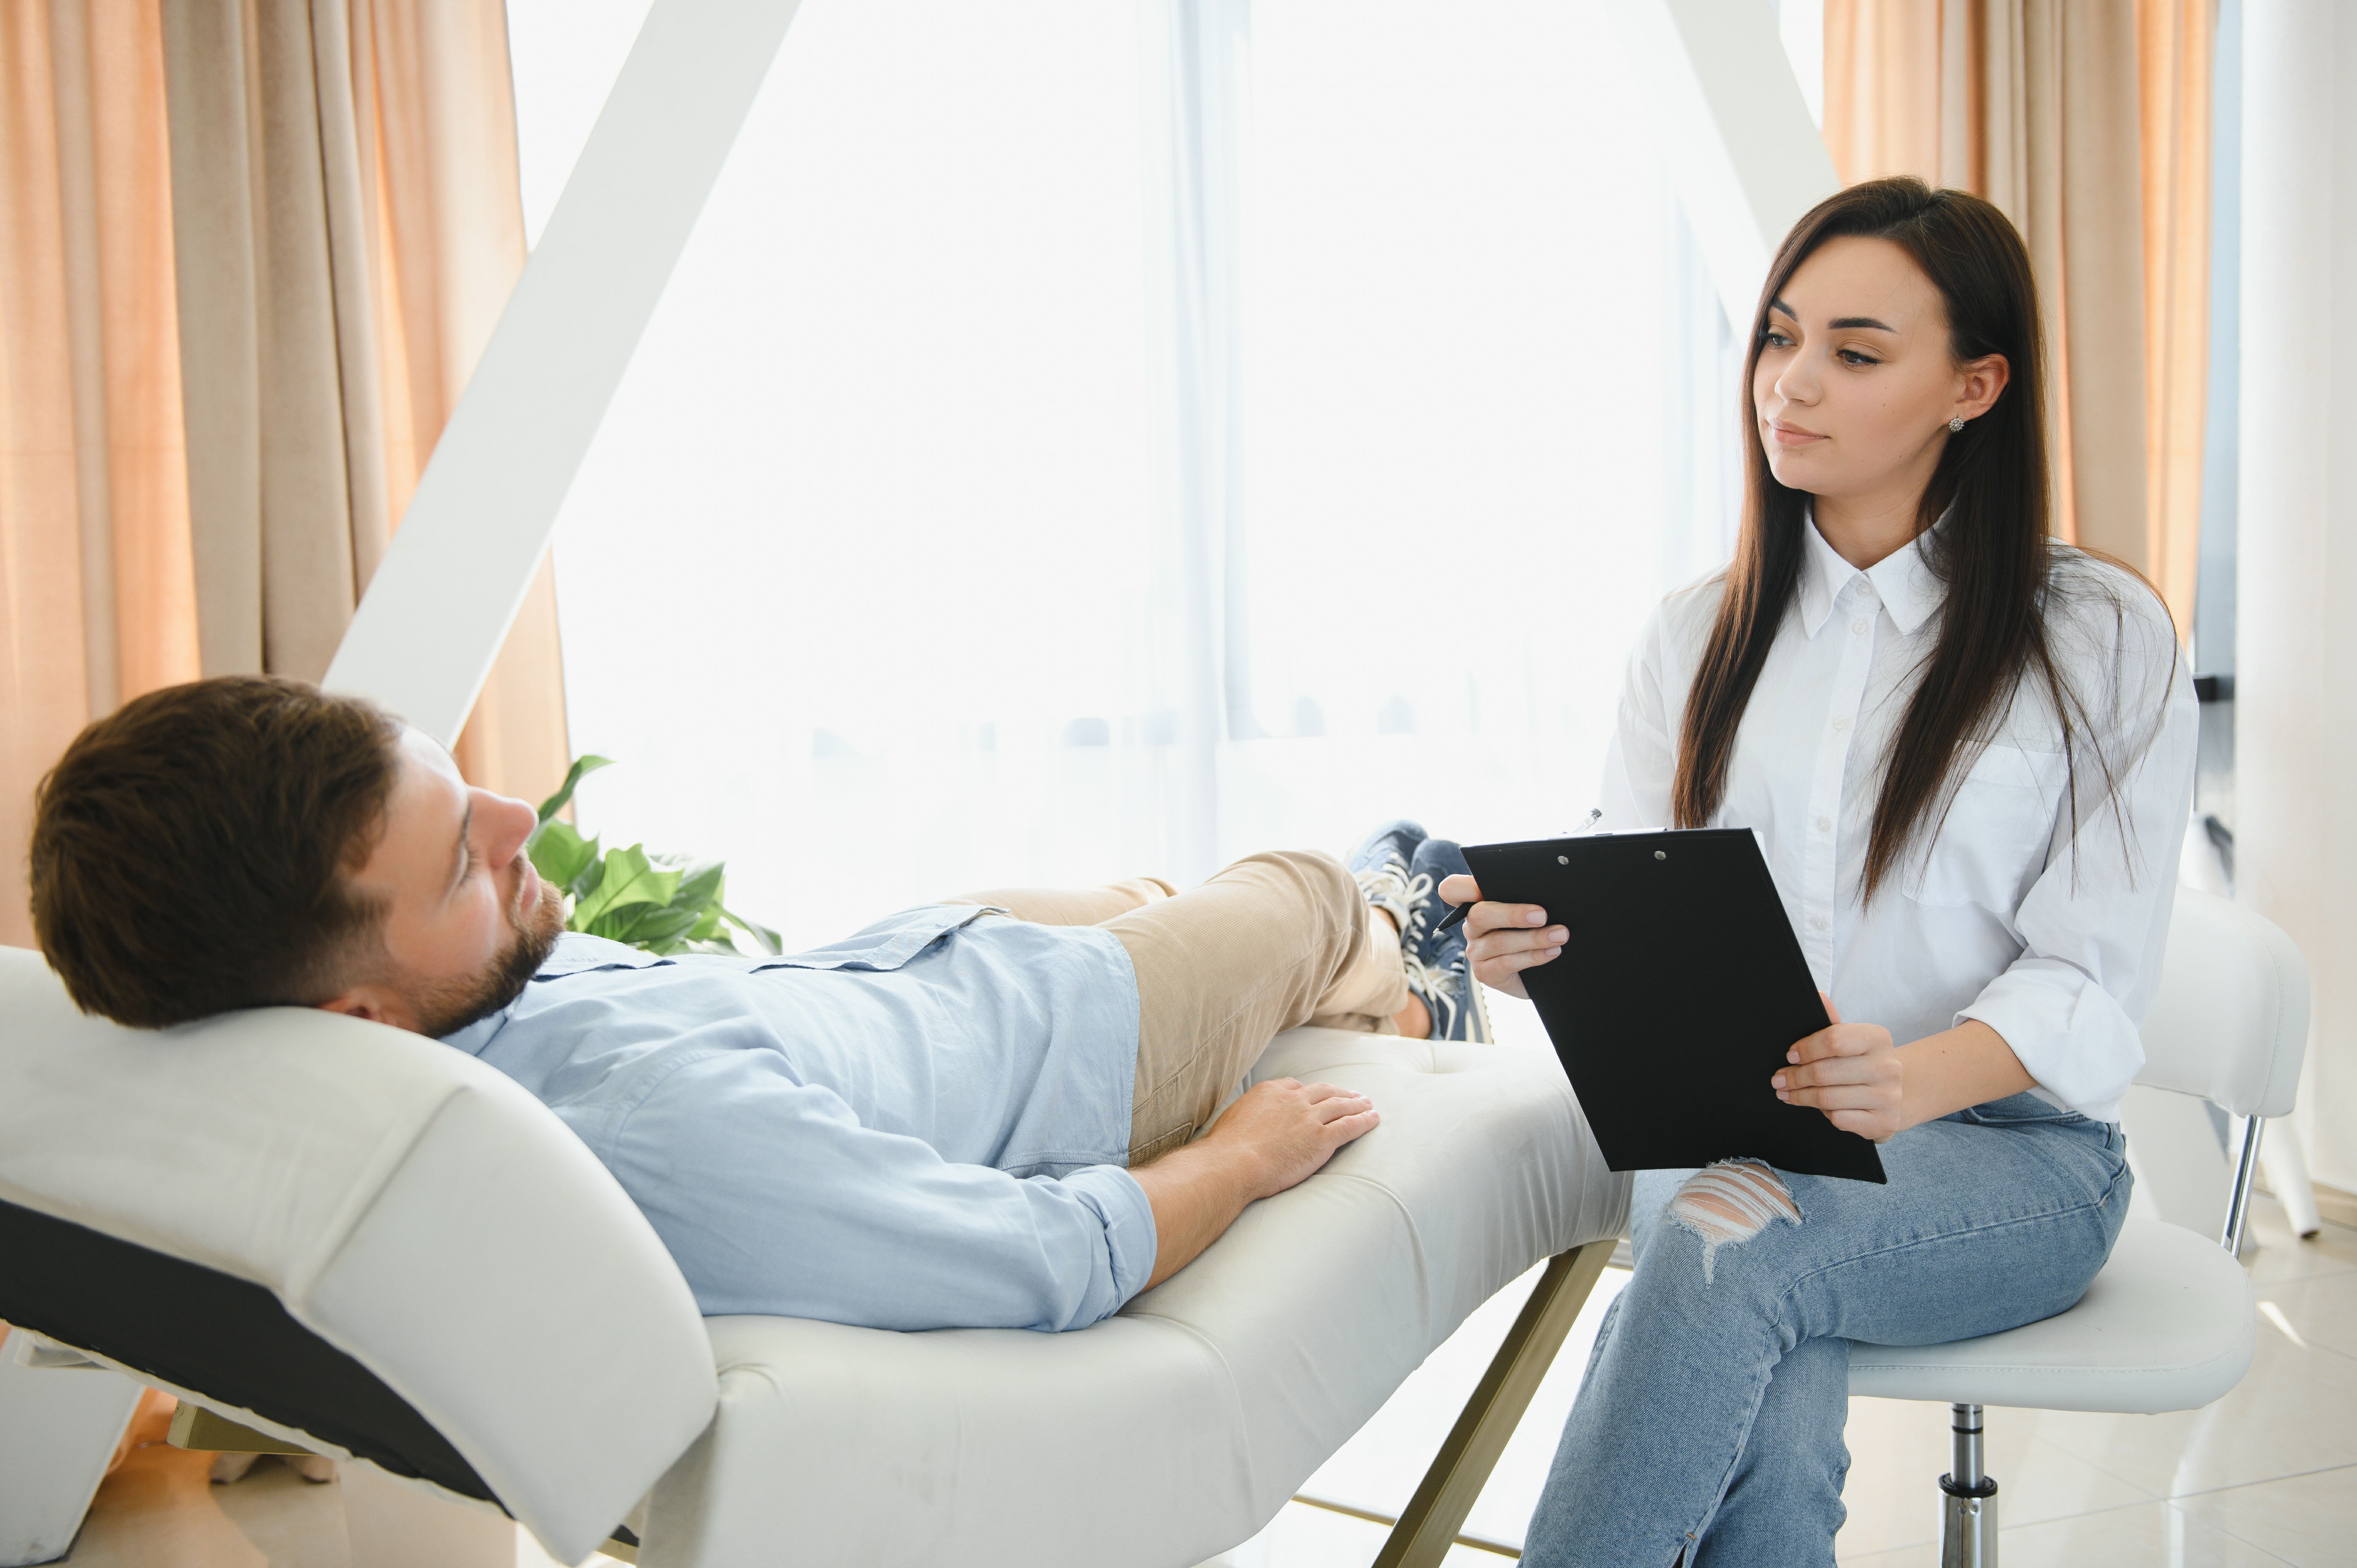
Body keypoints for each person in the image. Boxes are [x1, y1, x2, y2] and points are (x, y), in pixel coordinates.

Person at [1446, 178, 2195, 1565]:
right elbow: (1645, 915)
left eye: (1853, 353)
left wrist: (1905, 1081)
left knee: (1730, 1248)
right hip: (1736, 1142)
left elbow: (2088, 982)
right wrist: (1543, 948)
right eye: (1777, 336)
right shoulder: (1692, 635)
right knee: (1761, 1420)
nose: (1786, 385)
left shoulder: (2095, 636)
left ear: (1972, 387)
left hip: (2011, 1160)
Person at [27, 675, 1494, 1334]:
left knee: (1146, 888)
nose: (516, 811)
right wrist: (1239, 1152)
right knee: (1298, 886)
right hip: (1085, 1055)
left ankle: (1377, 969)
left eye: (456, 777)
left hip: (917, 971)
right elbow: (1044, 1259)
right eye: (460, 858)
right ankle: (1400, 954)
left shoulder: (415, 1024)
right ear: (363, 1014)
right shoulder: (664, 1138)